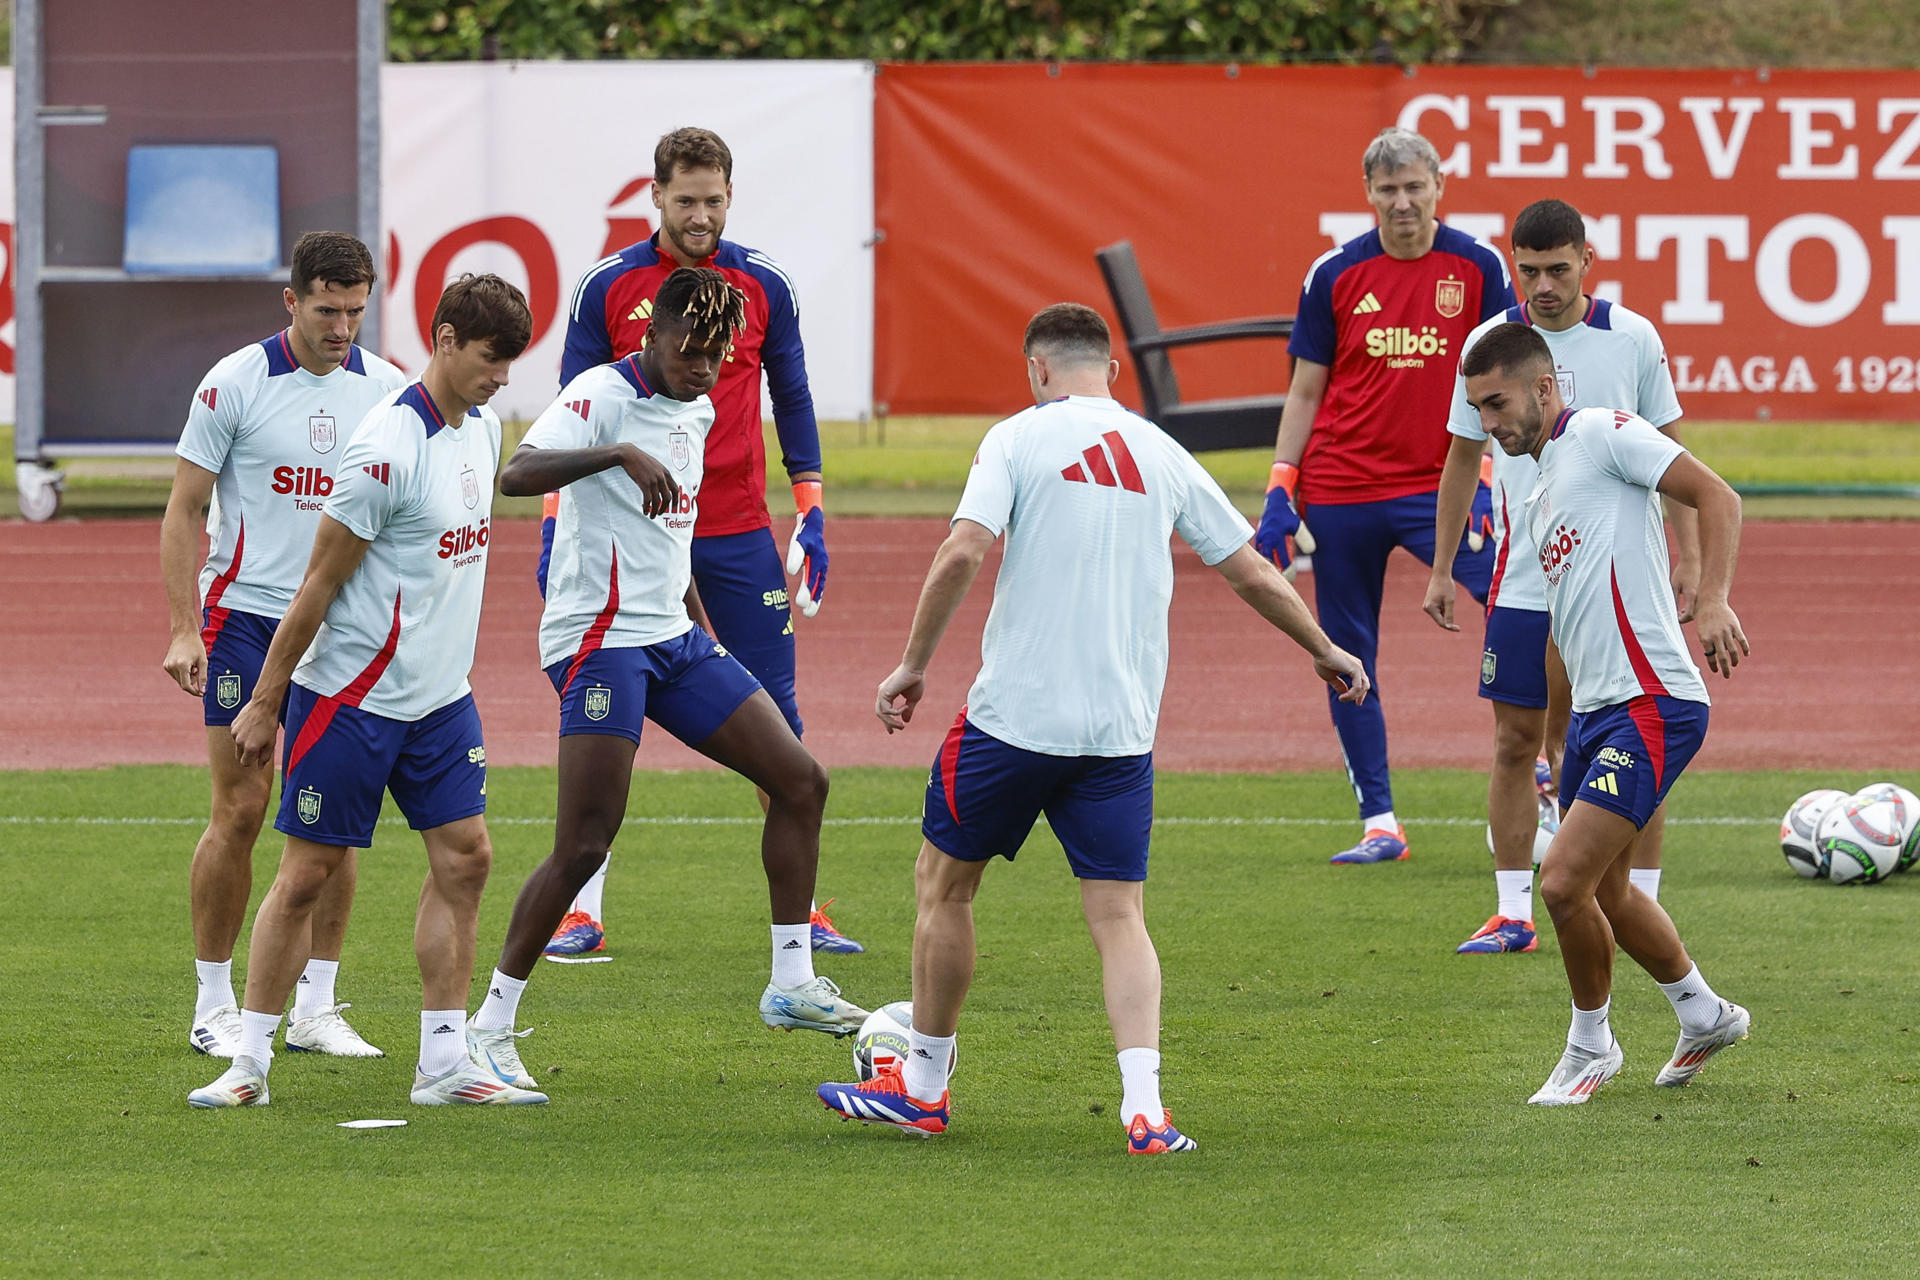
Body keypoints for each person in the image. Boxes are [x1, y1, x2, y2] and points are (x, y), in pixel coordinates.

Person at [814, 304, 1369, 1152]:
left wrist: (913, 664)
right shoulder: (1160, 450)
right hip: (1119, 733)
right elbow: (1250, 567)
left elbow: (962, 551)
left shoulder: (1016, 439)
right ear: (1113, 371)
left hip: (1013, 721)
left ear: (1037, 369)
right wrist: (1324, 648)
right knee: (1119, 916)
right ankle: (1145, 1108)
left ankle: (924, 1087)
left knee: (945, 886)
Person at [464, 267, 868, 1093]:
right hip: (598, 641)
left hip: (672, 637)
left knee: (801, 780)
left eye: (716, 358)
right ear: (651, 335)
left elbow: (668, 534)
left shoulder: (703, 403)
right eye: (689, 352)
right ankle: (488, 1026)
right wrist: (615, 450)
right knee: (585, 841)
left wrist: (699, 630)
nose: (702, 370)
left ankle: (790, 984)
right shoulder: (601, 393)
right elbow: (515, 472)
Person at [188, 274, 545, 1108]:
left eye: (512, 363)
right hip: (350, 697)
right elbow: (315, 585)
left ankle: (443, 1064)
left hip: (440, 700)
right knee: (307, 873)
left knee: (468, 857)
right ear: (447, 340)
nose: (502, 378)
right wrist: (267, 700)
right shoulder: (386, 449)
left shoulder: (485, 430)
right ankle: (250, 1064)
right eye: (493, 359)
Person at [541, 125, 859, 958]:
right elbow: (566, 415)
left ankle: (804, 918)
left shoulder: (763, 285)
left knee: (778, 720)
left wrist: (812, 509)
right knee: (611, 726)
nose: (700, 216)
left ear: (730, 196)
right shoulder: (608, 287)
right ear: (656, 196)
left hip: (736, 530)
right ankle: (583, 909)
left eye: (714, 200)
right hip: (630, 541)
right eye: (685, 201)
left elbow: (791, 394)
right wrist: (549, 529)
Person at [1460, 322, 1750, 1106]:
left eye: (1497, 403)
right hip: (1593, 717)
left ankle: (1591, 1046)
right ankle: (1704, 1012)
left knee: (1560, 884)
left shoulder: (1599, 431)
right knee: (1610, 893)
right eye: (1478, 409)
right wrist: (1559, 734)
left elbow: (1715, 494)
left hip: (1655, 701)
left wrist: (1714, 595)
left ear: (1545, 387)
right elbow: (1565, 620)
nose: (1488, 423)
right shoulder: (1543, 484)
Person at [1425, 199, 1698, 954]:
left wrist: (1696, 566)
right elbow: (1459, 457)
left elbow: (1674, 456)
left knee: (1634, 735)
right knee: (1518, 742)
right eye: (1529, 268)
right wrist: (1444, 566)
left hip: (1614, 578)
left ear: (1587, 261)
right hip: (1522, 578)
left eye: (1558, 267)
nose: (1543, 284)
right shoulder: (1491, 342)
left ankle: (1640, 902)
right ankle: (1513, 911)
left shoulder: (1632, 337)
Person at [160, 232, 405, 1060]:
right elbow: (184, 509)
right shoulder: (234, 383)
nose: (342, 326)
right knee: (241, 808)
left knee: (333, 818)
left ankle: (317, 1008)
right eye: (328, 309)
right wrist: (183, 626)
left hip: (345, 629)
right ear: (291, 301)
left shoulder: (391, 392)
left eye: (356, 310)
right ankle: (212, 1001)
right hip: (247, 620)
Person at [1255, 126, 1511, 865]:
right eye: (1387, 190)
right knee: (1342, 652)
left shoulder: (1478, 265)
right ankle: (1380, 821)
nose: (1402, 202)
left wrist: (1490, 475)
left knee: (1520, 610)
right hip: (1343, 490)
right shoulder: (1334, 272)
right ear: (1368, 195)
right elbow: (1307, 389)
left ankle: (1543, 774)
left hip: (1443, 487)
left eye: (1414, 186)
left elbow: (1502, 387)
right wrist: (1282, 485)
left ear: (1439, 185)